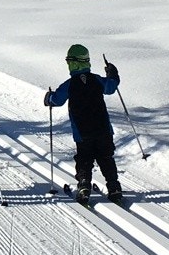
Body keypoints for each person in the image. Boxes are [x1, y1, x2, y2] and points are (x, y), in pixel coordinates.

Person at [44, 44, 124, 205]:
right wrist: (113, 73)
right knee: (106, 157)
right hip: (103, 129)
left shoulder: (70, 84)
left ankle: (84, 186)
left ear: (72, 63)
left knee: (84, 159)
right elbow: (111, 86)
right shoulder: (97, 80)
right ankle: (114, 187)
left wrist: (49, 98)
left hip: (82, 132)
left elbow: (57, 100)